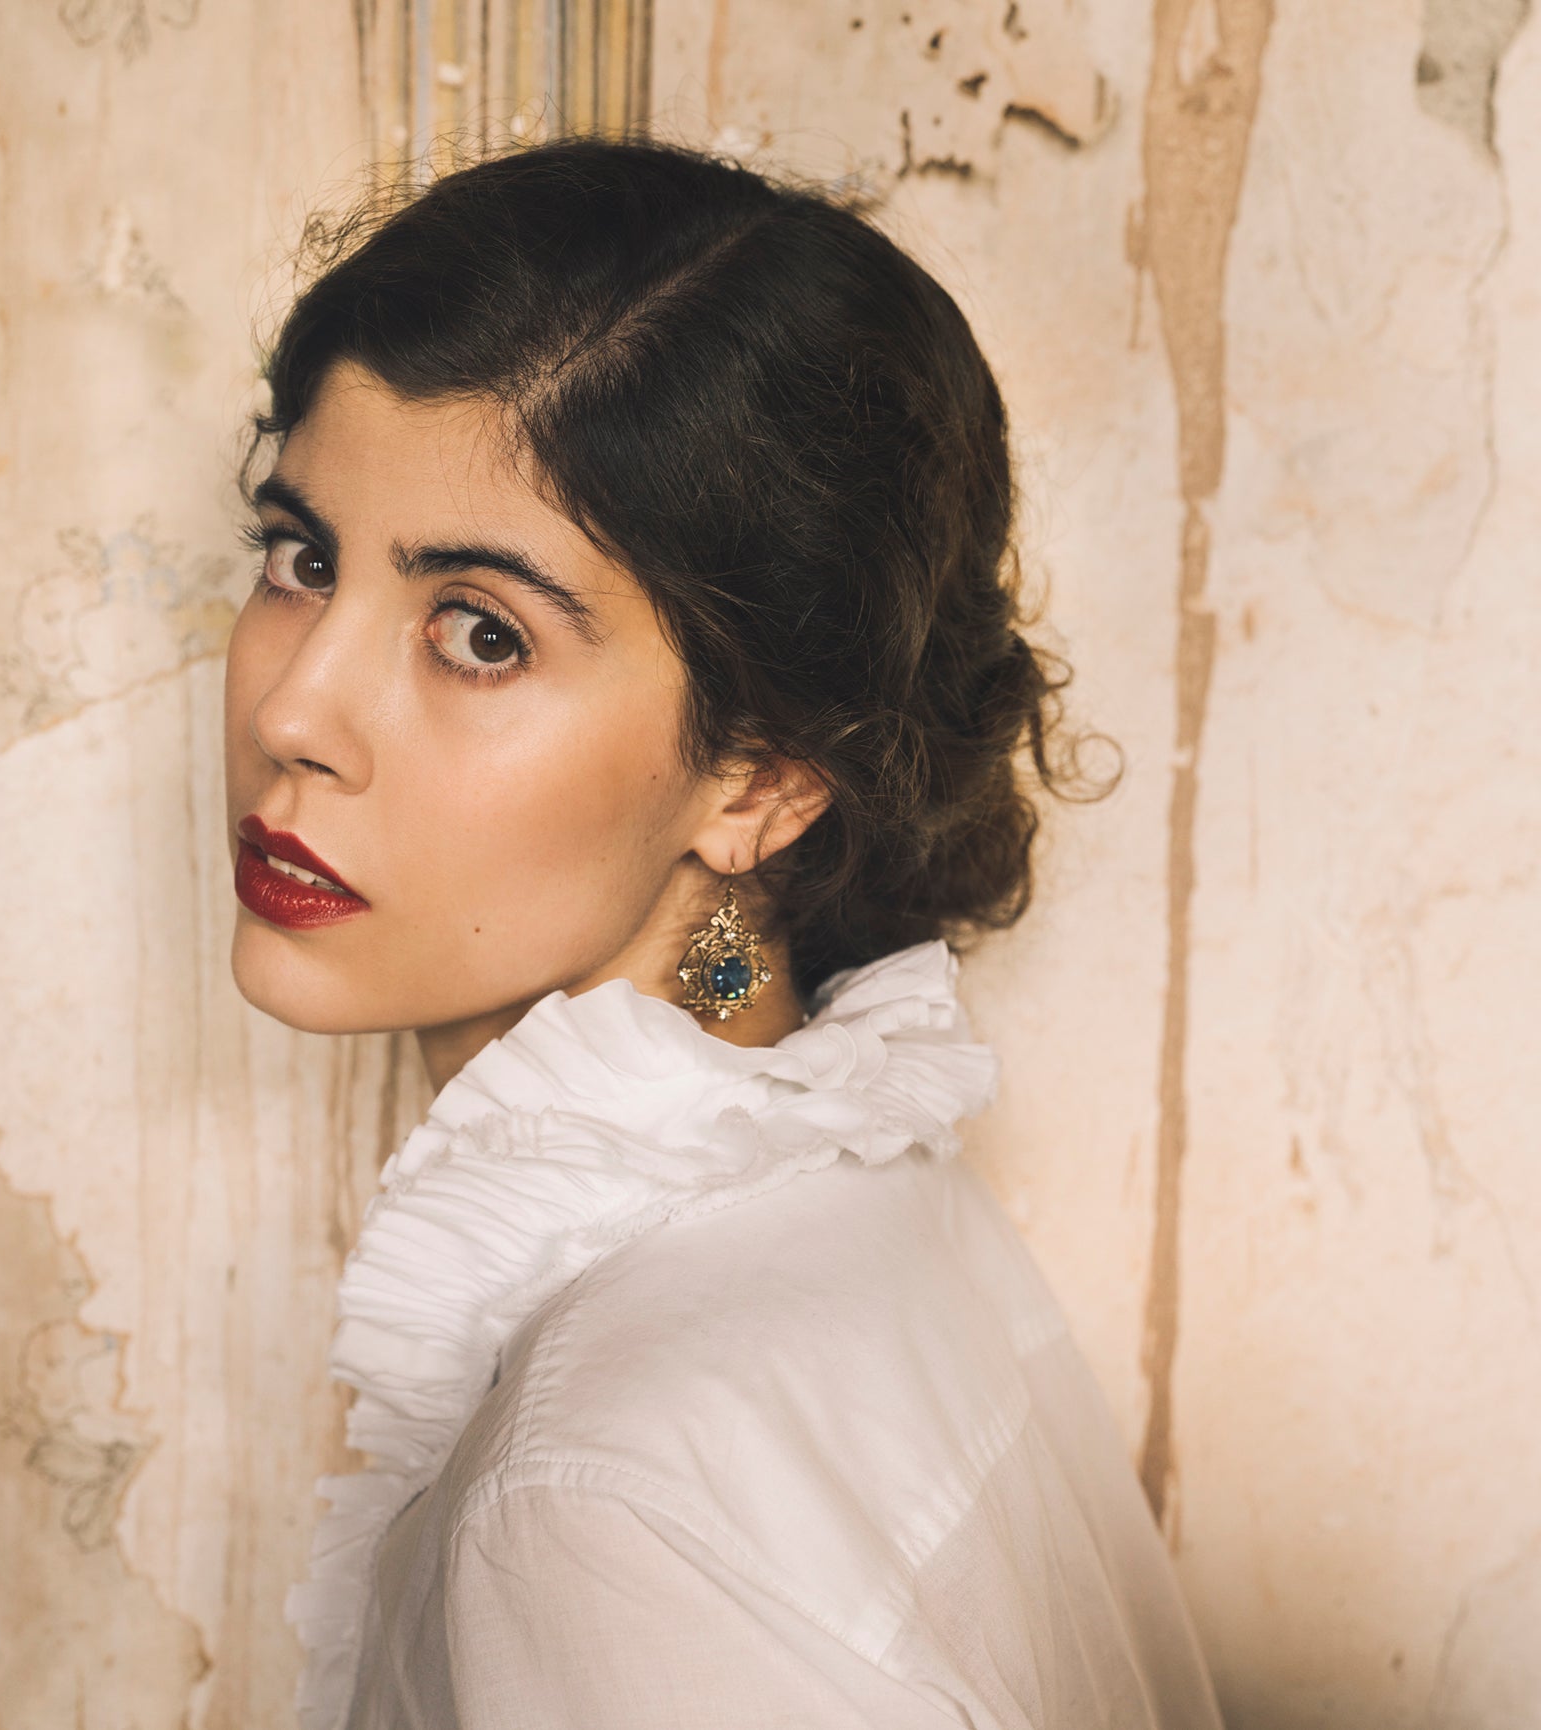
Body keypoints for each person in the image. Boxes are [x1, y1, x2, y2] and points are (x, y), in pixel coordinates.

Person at [222, 135, 1224, 1730]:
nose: (292, 708)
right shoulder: (851, 1215)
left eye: (478, 632)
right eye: (300, 556)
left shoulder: (602, 1494)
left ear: (759, 777)